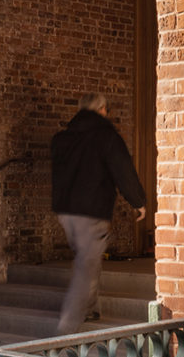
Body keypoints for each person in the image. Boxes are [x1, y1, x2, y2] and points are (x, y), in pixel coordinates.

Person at [50, 92, 147, 334]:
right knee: (86, 263)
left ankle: (91, 307)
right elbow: (122, 169)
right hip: (91, 210)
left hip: (65, 211)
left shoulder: (62, 138)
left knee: (88, 257)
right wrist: (138, 201)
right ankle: (67, 326)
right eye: (106, 110)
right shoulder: (106, 136)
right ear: (102, 109)